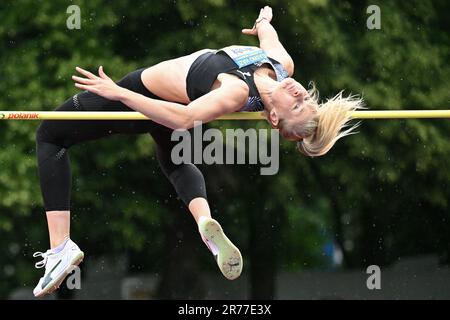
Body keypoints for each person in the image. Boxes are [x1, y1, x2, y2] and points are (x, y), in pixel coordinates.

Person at [33, 6, 363, 297]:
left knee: (50, 136)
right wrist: (264, 18)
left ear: (274, 117)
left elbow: (186, 118)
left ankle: (61, 247)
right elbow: (269, 37)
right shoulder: (281, 66)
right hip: (169, 104)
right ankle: (205, 222)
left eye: (296, 104)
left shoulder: (235, 91)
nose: (299, 93)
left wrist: (119, 93)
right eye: (305, 97)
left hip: (147, 97)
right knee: (174, 161)